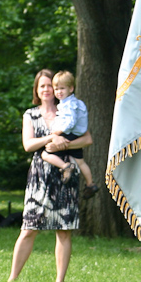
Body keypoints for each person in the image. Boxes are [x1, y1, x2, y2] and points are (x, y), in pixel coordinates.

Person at [8, 69, 93, 282]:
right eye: (42, 86)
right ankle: (13, 277)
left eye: (50, 86)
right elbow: (28, 145)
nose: (47, 89)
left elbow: (87, 139)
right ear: (37, 90)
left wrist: (65, 144)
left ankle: (59, 281)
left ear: (58, 89)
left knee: (64, 230)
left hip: (65, 176)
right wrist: (51, 139)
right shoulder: (31, 114)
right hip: (39, 177)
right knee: (28, 229)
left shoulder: (67, 110)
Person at [40, 70, 98, 199]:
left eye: (62, 88)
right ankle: (90, 184)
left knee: (45, 153)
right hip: (76, 135)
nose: (59, 92)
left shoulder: (69, 105)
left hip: (69, 134)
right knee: (81, 162)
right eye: (56, 89)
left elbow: (70, 122)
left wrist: (57, 132)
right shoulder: (75, 102)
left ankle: (65, 166)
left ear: (71, 88)